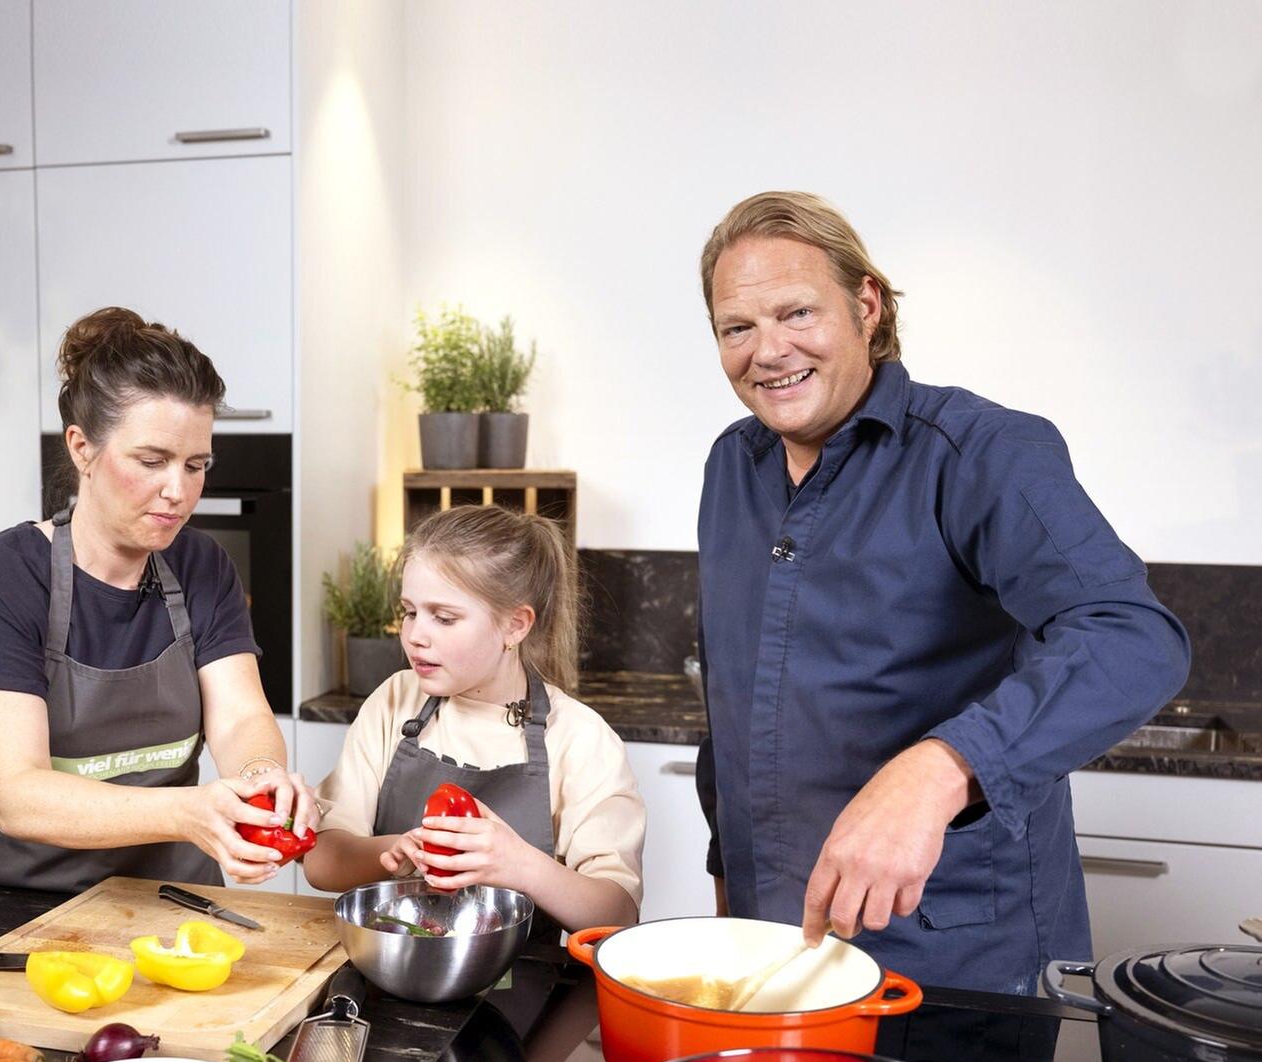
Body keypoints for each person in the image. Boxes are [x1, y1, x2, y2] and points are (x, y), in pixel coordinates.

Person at [693, 191, 1190, 993]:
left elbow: (1133, 636)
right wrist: (730, 879)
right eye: (737, 328)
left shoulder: (981, 454)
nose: (769, 350)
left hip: (958, 958)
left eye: (797, 314)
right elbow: (732, 700)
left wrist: (941, 767)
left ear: (866, 305)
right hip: (779, 945)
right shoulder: (731, 467)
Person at [0, 306, 317, 892]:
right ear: (82, 448)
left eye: (196, 465)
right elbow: (16, 793)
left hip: (176, 902)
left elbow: (240, 715)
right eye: (152, 461)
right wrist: (188, 814)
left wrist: (263, 780)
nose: (179, 491)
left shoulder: (202, 565)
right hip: (20, 912)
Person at [304, 505, 645, 933]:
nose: (415, 635)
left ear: (515, 626)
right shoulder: (395, 700)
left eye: (444, 617)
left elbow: (616, 914)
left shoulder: (579, 737)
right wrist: (394, 851)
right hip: (389, 971)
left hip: (526, 988)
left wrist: (520, 865)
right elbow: (321, 863)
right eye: (410, 611)